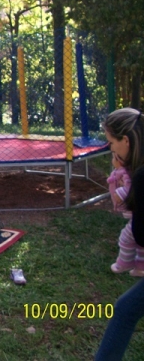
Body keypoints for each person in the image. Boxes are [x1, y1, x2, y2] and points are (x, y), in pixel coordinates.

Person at [96, 108, 144, 360]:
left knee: (125, 310)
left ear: (126, 141)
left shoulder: (141, 176)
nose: (111, 149)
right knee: (126, 309)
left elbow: (141, 234)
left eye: (112, 143)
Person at [107, 152, 144, 276]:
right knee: (139, 239)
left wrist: (120, 194)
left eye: (113, 158)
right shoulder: (123, 171)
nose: (112, 160)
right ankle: (140, 267)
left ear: (120, 161)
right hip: (137, 214)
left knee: (126, 237)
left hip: (136, 213)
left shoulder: (126, 173)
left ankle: (124, 263)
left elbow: (130, 187)